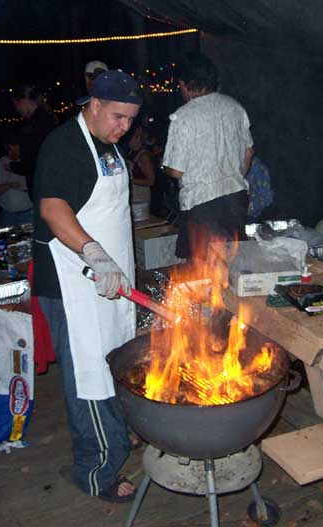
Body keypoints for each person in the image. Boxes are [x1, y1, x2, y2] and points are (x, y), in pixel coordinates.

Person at [32, 69, 142, 501]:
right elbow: (54, 209)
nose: (125, 127)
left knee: (116, 360)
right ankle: (96, 470)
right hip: (74, 282)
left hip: (111, 281)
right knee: (91, 374)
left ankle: (114, 432)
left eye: (131, 120)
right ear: (93, 105)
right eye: (118, 117)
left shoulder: (108, 145)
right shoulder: (64, 145)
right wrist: (95, 254)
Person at [162, 52, 254, 261]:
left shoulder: (183, 116)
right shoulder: (235, 107)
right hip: (236, 199)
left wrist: (163, 167)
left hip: (202, 204)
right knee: (232, 264)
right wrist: (233, 176)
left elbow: (175, 171)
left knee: (202, 268)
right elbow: (249, 152)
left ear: (185, 84)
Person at [11, 84, 57, 199]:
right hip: (52, 186)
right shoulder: (47, 118)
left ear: (23, 101)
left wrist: (12, 166)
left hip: (45, 189)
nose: (16, 109)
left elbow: (34, 162)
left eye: (16, 105)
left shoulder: (34, 126)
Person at [0, 132, 33, 227]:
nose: (14, 153)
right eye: (10, 149)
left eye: (16, 149)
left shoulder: (29, 163)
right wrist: (10, 185)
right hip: (7, 216)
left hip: (29, 214)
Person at [127, 125, 155, 205]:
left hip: (140, 197)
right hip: (133, 196)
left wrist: (129, 180)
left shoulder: (143, 156)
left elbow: (151, 181)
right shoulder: (130, 153)